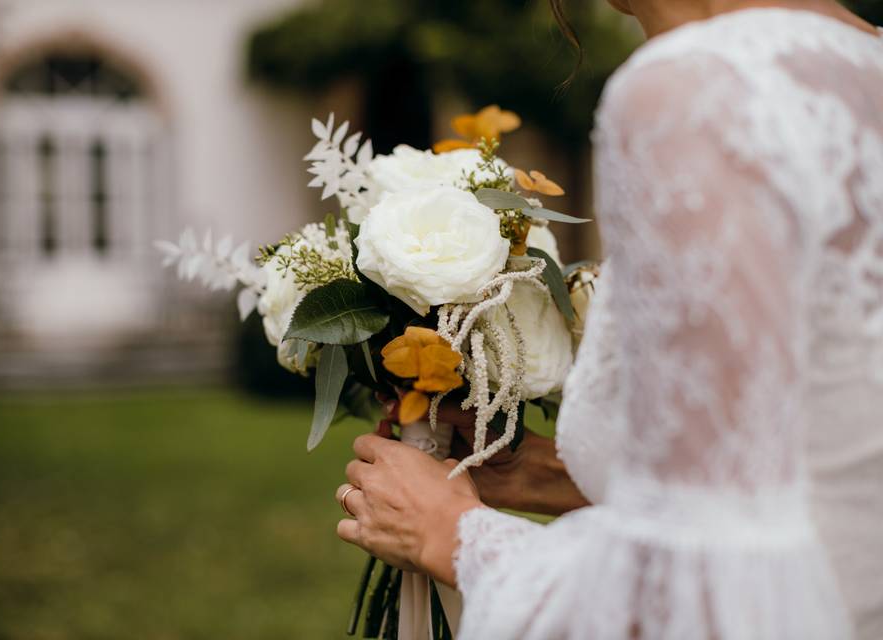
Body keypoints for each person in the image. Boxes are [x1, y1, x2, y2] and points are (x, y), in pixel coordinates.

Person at [333, 1, 883, 637]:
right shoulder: (863, 68)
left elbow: (699, 609)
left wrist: (453, 535)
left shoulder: (699, 92)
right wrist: (547, 476)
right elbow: (827, 460)